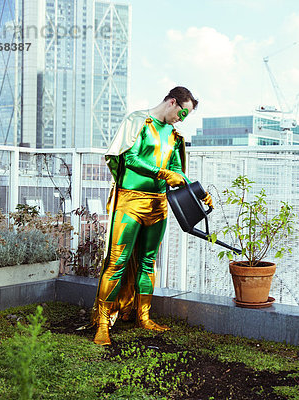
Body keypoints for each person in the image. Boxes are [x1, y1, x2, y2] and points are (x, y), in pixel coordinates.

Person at [91, 86, 212, 346]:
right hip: (129, 201)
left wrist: (197, 192)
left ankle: (143, 316)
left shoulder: (174, 136)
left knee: (148, 261)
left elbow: (177, 171)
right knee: (117, 261)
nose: (182, 119)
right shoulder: (138, 122)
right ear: (172, 102)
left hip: (158, 205)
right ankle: (103, 324)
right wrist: (163, 174)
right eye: (182, 113)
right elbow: (129, 159)